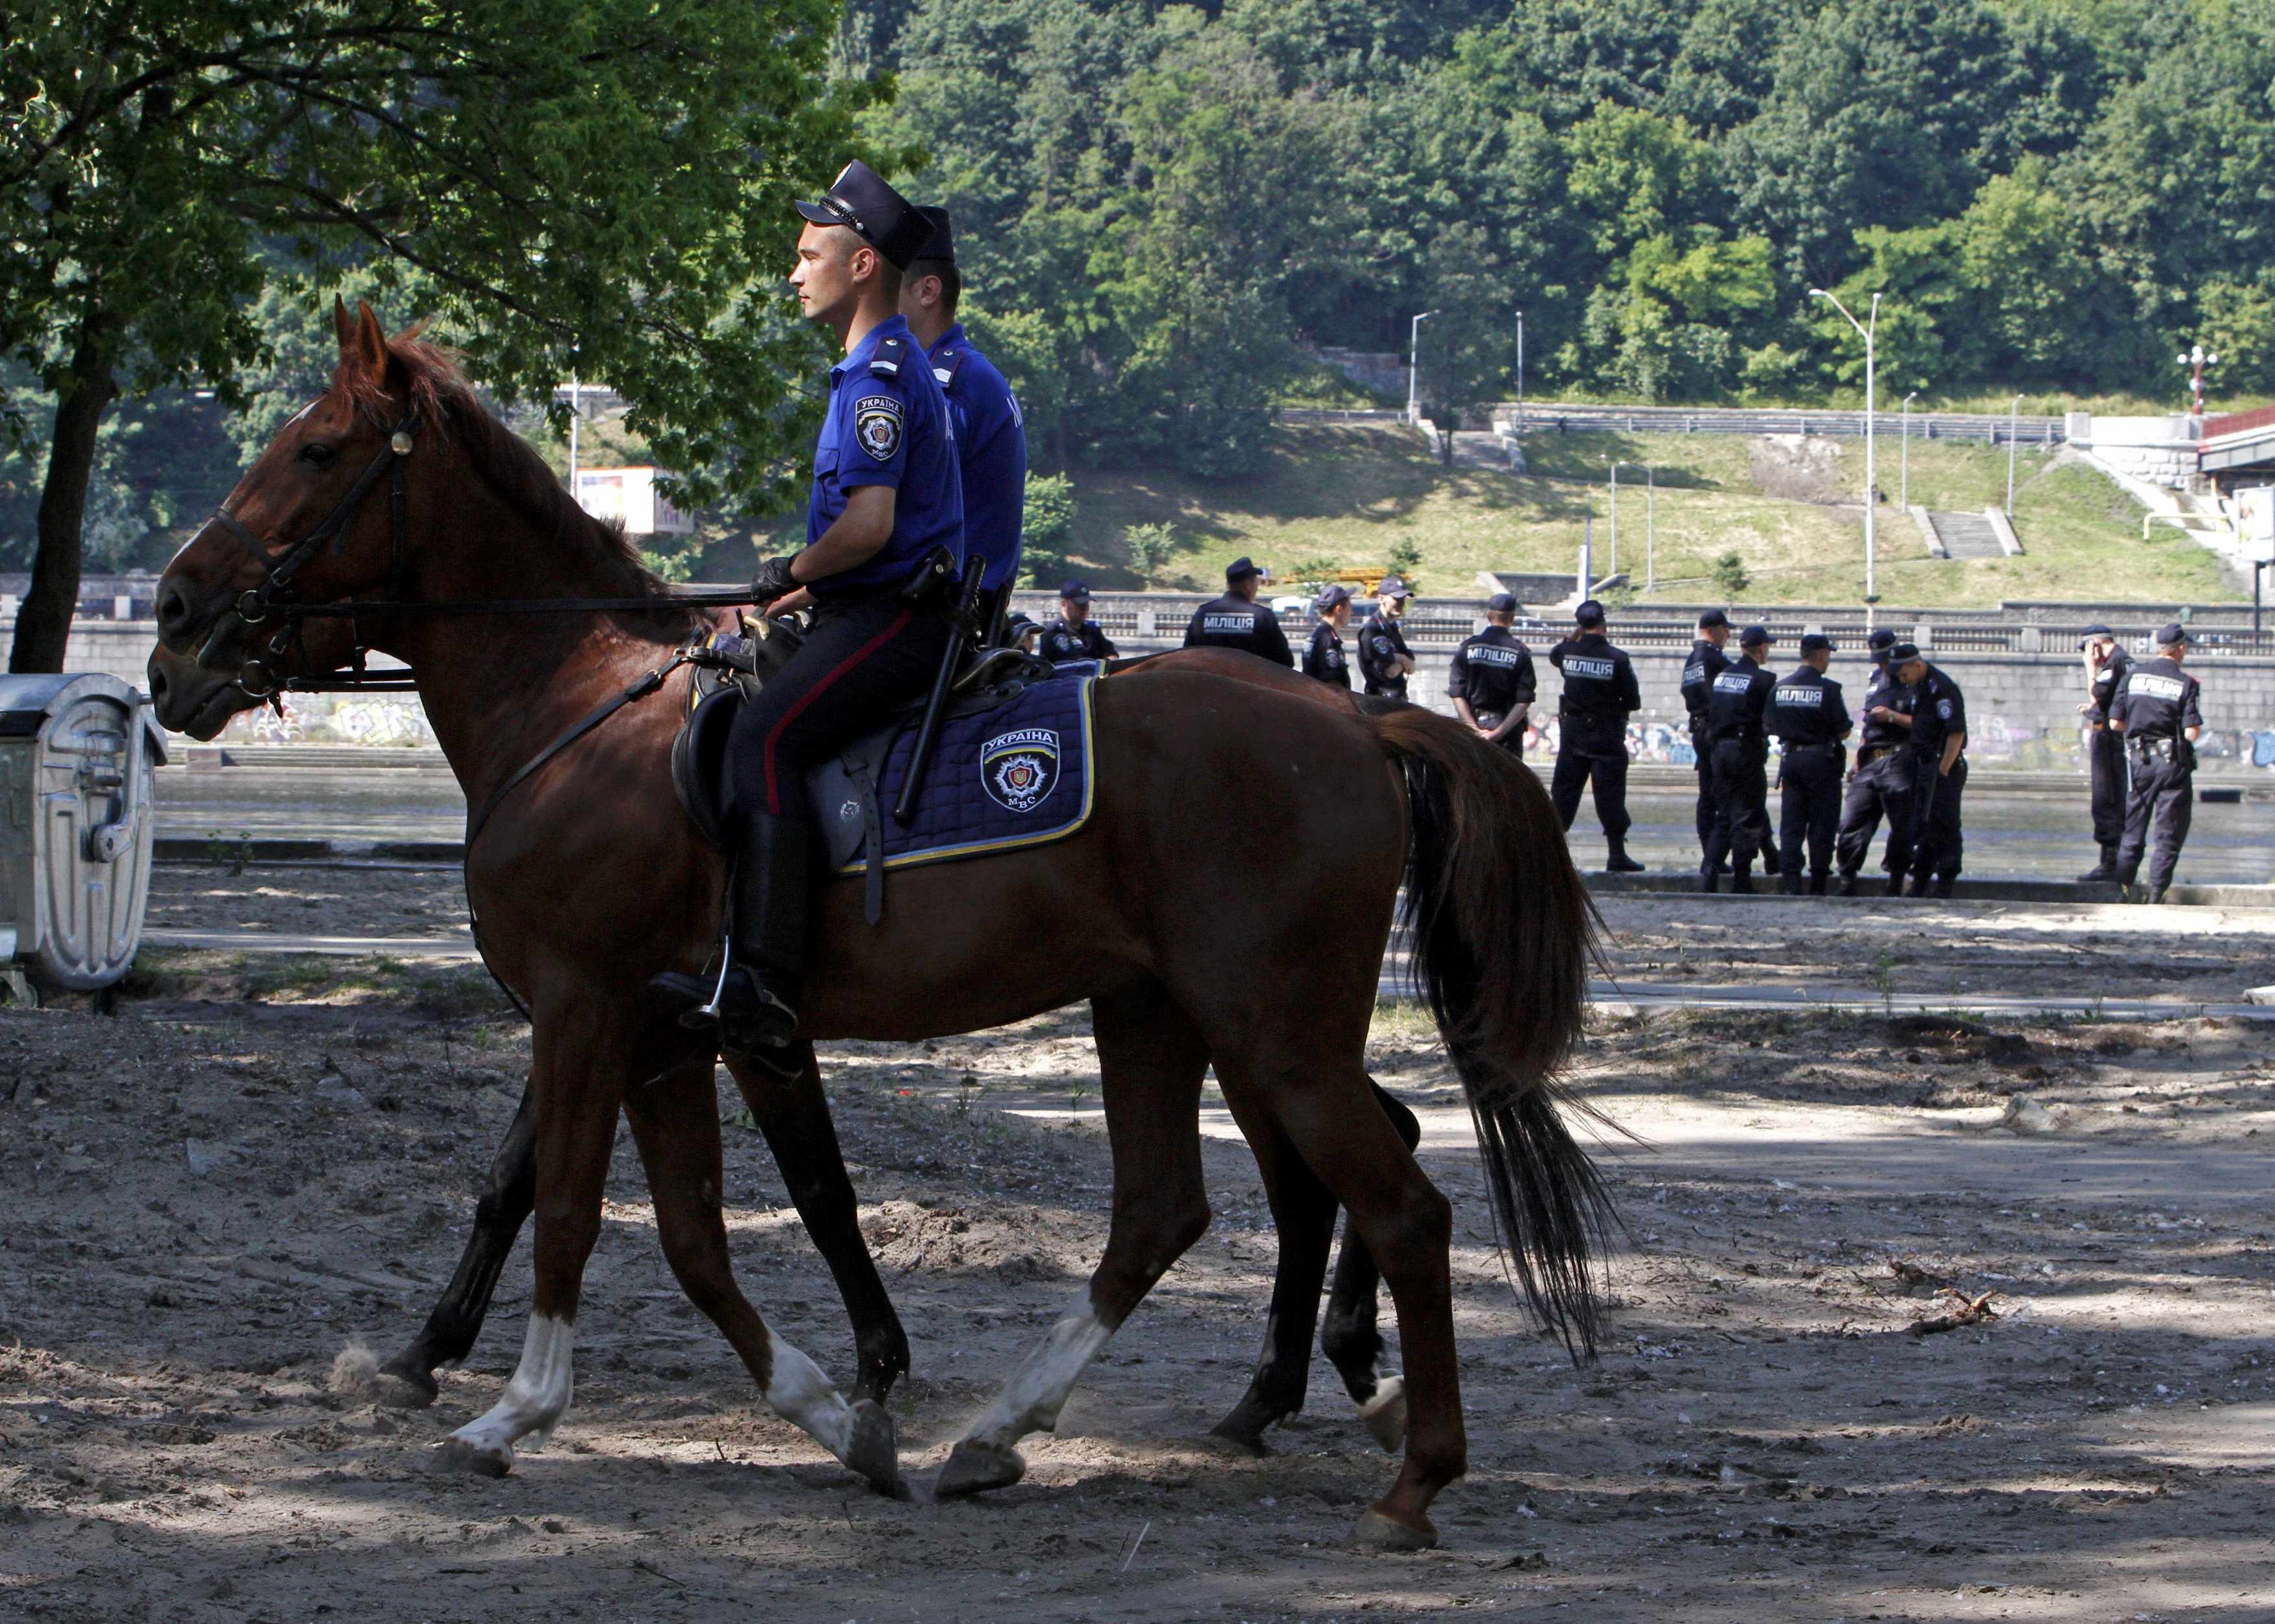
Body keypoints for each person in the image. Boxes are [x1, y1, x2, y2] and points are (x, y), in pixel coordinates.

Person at [655, 160, 962, 1055]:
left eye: (807, 254)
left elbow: (869, 527)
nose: (794, 273)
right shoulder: (884, 368)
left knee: (767, 738)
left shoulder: (874, 381)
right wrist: (790, 587)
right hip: (865, 604)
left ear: (862, 264)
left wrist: (788, 565)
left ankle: (766, 978)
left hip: (894, 618)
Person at [901, 206, 1026, 640]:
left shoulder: (949, 386)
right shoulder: (956, 373)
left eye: (885, 283)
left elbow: (906, 522)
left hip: (941, 614)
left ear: (927, 291)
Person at [1547, 599, 1646, 873]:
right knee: (1611, 795)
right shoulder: (1617, 658)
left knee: (1564, 793)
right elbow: (1633, 701)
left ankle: (1551, 854)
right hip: (1606, 734)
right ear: (1604, 623)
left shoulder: (1567, 653)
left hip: (1574, 734)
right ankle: (1617, 855)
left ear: (1581, 626)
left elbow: (1555, 654)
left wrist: (1573, 636)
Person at [2109, 622, 2204, 904]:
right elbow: (2191, 732)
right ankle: (2156, 895)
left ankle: (2124, 890)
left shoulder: (2133, 677)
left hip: (2139, 764)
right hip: (2172, 766)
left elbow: (2115, 722)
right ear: (2181, 650)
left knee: (2133, 830)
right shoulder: (2186, 683)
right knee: (2168, 834)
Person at [1766, 633, 1852, 895]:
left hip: (1791, 761)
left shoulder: (1780, 687)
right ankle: (1817, 883)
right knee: (1822, 825)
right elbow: (1844, 730)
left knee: (1792, 825)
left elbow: (1770, 725)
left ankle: (1791, 882)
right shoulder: (1829, 689)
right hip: (1822, 763)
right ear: (1822, 655)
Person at [1698, 625, 1777, 892]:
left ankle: (1709, 874)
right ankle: (1741, 880)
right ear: (1763, 648)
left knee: (1724, 815)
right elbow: (1770, 720)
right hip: (1745, 753)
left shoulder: (1722, 676)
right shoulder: (1764, 679)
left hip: (1719, 752)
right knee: (1748, 815)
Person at [1887, 643, 1968, 897]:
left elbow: (1956, 732)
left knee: (1945, 825)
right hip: (1924, 763)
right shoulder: (1920, 685)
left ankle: (1945, 881)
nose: (1903, 680)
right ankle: (1920, 879)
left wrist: (1943, 769)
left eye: (1904, 674)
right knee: (1924, 824)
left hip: (1942, 764)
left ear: (1918, 665)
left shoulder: (1941, 687)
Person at [1834, 627, 1907, 895]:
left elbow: (1924, 724)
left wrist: (1892, 717)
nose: (1882, 663)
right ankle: (1847, 877)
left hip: (1899, 758)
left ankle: (1896, 880)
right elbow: (1866, 725)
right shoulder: (1875, 678)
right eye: (1878, 658)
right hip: (1870, 759)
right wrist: (1857, 762)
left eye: (1885, 657)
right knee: (1852, 821)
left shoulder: (1911, 679)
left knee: (1902, 825)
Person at [1446, 591, 1536, 754]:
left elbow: (1457, 692)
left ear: (1489, 615)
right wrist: (1498, 733)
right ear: (1512, 619)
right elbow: (1524, 700)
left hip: (1472, 728)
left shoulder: (1468, 647)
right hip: (1506, 732)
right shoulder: (1520, 652)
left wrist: (1473, 728)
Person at [2076, 623, 2131, 881]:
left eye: (2087, 650)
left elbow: (2099, 694)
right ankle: (2115, 862)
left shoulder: (2113, 664)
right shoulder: (2124, 662)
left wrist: (2091, 669)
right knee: (2113, 798)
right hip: (2114, 736)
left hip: (2108, 739)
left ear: (2096, 644)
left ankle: (2109, 865)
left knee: (2105, 798)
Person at [1680, 609, 1732, 865]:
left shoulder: (1692, 660)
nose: (1729, 635)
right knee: (1722, 796)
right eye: (1726, 629)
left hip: (1698, 730)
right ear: (1713, 630)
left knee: (1707, 796)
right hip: (1715, 732)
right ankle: (1714, 858)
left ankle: (1709, 853)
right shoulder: (1715, 660)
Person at [1183, 556, 1294, 665]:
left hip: (1208, 682)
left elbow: (1186, 655)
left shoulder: (1202, 614)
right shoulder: (1262, 616)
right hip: (1251, 682)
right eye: (1256, 582)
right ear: (1248, 585)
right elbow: (1285, 661)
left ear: (1228, 585)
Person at [1357, 576, 1416, 699]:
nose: (1401, 603)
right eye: (1396, 599)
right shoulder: (1373, 629)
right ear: (1381, 599)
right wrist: (1402, 660)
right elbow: (1390, 672)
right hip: (1380, 701)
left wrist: (1400, 660)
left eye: (1403, 599)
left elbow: (1411, 667)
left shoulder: (1392, 628)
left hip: (1397, 698)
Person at [1037, 578, 1117, 664]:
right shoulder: (1052, 633)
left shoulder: (1093, 630)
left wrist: (1106, 665)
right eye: (1079, 604)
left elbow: (1112, 655)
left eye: (1086, 604)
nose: (1084, 609)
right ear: (1064, 604)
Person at [1304, 585, 1353, 688]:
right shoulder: (1328, 639)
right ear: (1339, 610)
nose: (1352, 613)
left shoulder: (1319, 634)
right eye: (1350, 608)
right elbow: (1332, 684)